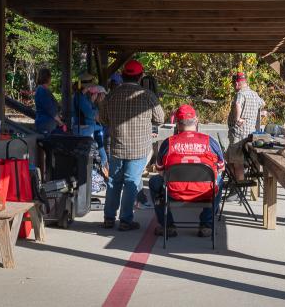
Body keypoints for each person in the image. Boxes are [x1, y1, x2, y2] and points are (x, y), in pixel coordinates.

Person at [103, 60, 165, 231]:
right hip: (138, 148)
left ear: (123, 76)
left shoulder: (111, 95)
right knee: (131, 182)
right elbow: (160, 119)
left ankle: (109, 218)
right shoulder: (147, 95)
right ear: (140, 77)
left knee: (113, 182)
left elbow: (102, 118)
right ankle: (125, 220)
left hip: (116, 145)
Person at [149, 104, 224, 238]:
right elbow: (221, 167)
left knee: (154, 181)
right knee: (219, 180)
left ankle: (168, 226)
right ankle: (206, 225)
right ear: (196, 121)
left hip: (174, 192)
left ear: (177, 123)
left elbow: (160, 170)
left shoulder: (168, 143)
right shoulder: (210, 142)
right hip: (204, 192)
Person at [226, 72, 265, 181]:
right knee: (250, 159)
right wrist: (258, 113)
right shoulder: (254, 94)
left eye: (234, 84)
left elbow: (238, 103)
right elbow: (263, 103)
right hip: (250, 134)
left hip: (239, 134)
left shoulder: (240, 94)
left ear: (237, 83)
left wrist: (238, 118)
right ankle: (253, 181)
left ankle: (238, 185)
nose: (234, 87)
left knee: (237, 162)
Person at [72, 73, 108, 175]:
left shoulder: (83, 97)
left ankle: (104, 163)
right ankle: (104, 164)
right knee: (100, 133)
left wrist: (93, 102)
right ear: (87, 86)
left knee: (100, 131)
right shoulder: (80, 97)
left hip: (87, 127)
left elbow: (93, 111)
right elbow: (90, 114)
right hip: (83, 128)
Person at [34, 68, 66, 134]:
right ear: (48, 78)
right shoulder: (42, 90)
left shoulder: (43, 90)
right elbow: (50, 109)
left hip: (47, 123)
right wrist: (60, 122)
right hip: (46, 124)